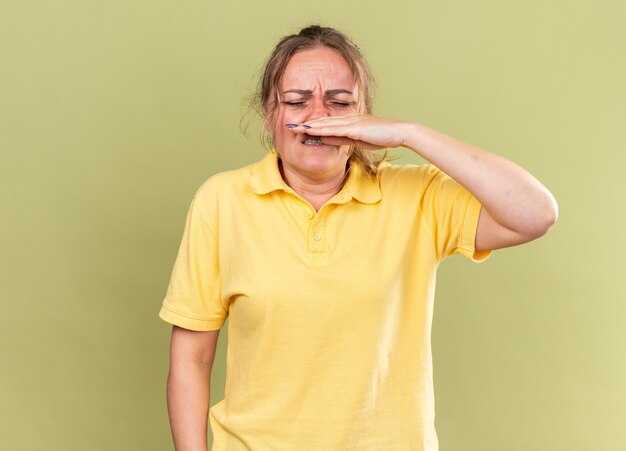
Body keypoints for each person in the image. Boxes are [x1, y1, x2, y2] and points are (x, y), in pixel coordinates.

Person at [158, 25, 558, 451]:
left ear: (365, 116)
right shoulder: (221, 201)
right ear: (268, 112)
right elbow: (191, 359)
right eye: (296, 101)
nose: (317, 117)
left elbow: (535, 214)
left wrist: (410, 133)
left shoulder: (417, 196)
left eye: (339, 103)